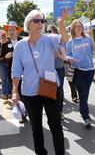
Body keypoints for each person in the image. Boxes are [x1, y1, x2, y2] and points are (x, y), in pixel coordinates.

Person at [12, 8, 68, 155]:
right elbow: (16, 70)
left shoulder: (49, 39)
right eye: (36, 20)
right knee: (36, 128)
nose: (40, 23)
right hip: (30, 92)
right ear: (28, 25)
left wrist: (61, 24)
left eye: (42, 20)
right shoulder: (20, 46)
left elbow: (64, 39)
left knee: (56, 125)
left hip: (50, 89)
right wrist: (14, 91)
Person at [65, 19, 95, 126]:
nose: (79, 28)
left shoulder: (88, 39)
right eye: (77, 26)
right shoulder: (70, 43)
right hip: (78, 70)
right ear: (73, 29)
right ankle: (86, 117)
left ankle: (81, 109)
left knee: (86, 92)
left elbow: (94, 53)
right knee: (82, 94)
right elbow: (66, 55)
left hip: (90, 70)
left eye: (80, 26)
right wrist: (70, 59)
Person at [47, 24, 66, 120]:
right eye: (47, 31)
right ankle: (51, 111)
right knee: (50, 91)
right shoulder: (46, 43)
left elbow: (64, 57)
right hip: (49, 70)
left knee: (59, 91)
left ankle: (59, 111)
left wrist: (56, 53)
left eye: (50, 31)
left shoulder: (60, 43)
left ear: (55, 32)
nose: (48, 33)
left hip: (59, 69)